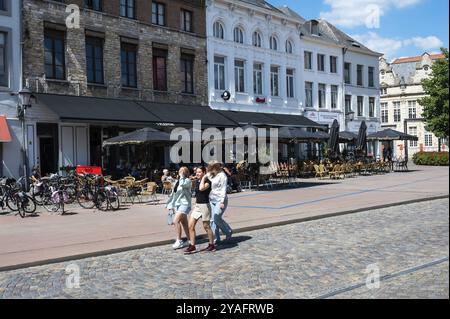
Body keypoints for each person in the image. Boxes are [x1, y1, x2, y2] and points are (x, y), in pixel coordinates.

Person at [184, 167, 216, 254]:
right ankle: (192, 246)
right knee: (190, 225)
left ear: (204, 172)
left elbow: (202, 188)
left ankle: (211, 244)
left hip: (205, 206)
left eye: (199, 172)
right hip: (198, 206)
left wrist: (204, 178)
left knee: (206, 226)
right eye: (196, 172)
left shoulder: (208, 182)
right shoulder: (198, 181)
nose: (197, 173)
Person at [166, 167, 192, 250]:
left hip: (185, 203)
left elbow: (183, 184)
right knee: (184, 223)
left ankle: (179, 240)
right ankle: (190, 240)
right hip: (177, 204)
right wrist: (170, 205)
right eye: (180, 171)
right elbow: (173, 194)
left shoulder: (187, 181)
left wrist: (182, 177)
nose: (181, 172)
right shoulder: (177, 181)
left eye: (183, 171)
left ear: (186, 173)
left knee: (175, 221)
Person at [208, 161, 233, 244]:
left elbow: (223, 189)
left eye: (212, 167)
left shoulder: (222, 176)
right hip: (212, 199)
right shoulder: (211, 175)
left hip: (220, 200)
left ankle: (228, 231)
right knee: (212, 220)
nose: (210, 168)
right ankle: (216, 238)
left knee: (216, 218)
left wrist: (222, 201)